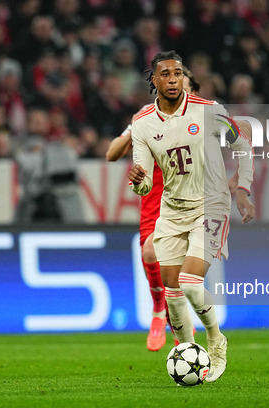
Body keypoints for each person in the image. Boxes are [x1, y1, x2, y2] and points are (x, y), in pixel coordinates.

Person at [128, 50, 255, 383]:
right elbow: (145, 185)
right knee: (172, 291)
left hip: (210, 205)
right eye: (166, 74)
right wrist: (139, 182)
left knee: (189, 282)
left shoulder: (209, 111)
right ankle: (190, 354)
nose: (173, 79)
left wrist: (243, 188)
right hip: (172, 210)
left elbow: (242, 143)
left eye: (178, 73)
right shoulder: (142, 124)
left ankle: (215, 338)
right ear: (153, 80)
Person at [105, 66, 201, 352]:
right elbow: (111, 154)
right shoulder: (148, 118)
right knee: (150, 251)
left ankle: (173, 316)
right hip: (153, 200)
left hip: (186, 201)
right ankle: (161, 311)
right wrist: (135, 129)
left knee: (174, 264)